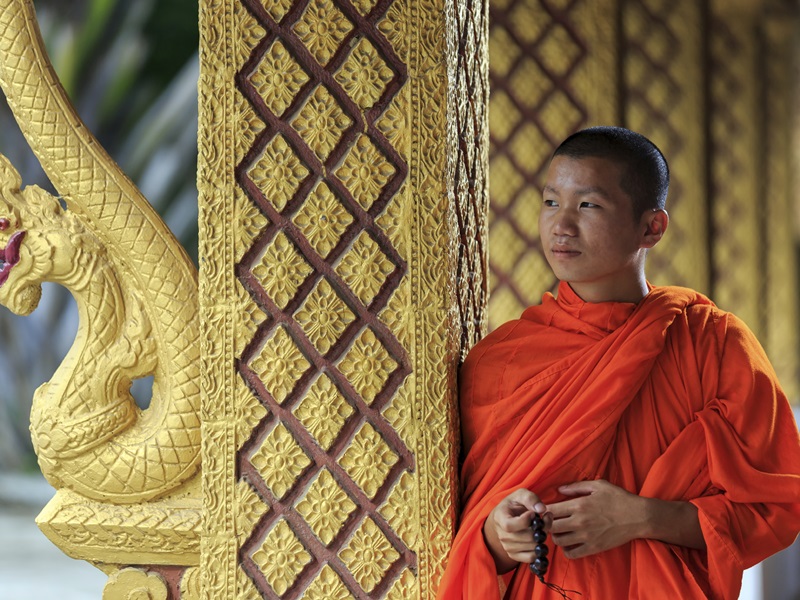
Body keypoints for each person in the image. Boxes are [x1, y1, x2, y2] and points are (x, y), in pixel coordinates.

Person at [437, 126, 800, 599]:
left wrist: (642, 517)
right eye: (551, 202)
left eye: (588, 205)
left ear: (652, 228)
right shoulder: (499, 361)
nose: (561, 225)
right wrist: (499, 535)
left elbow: (775, 506)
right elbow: (463, 531)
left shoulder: (711, 344)